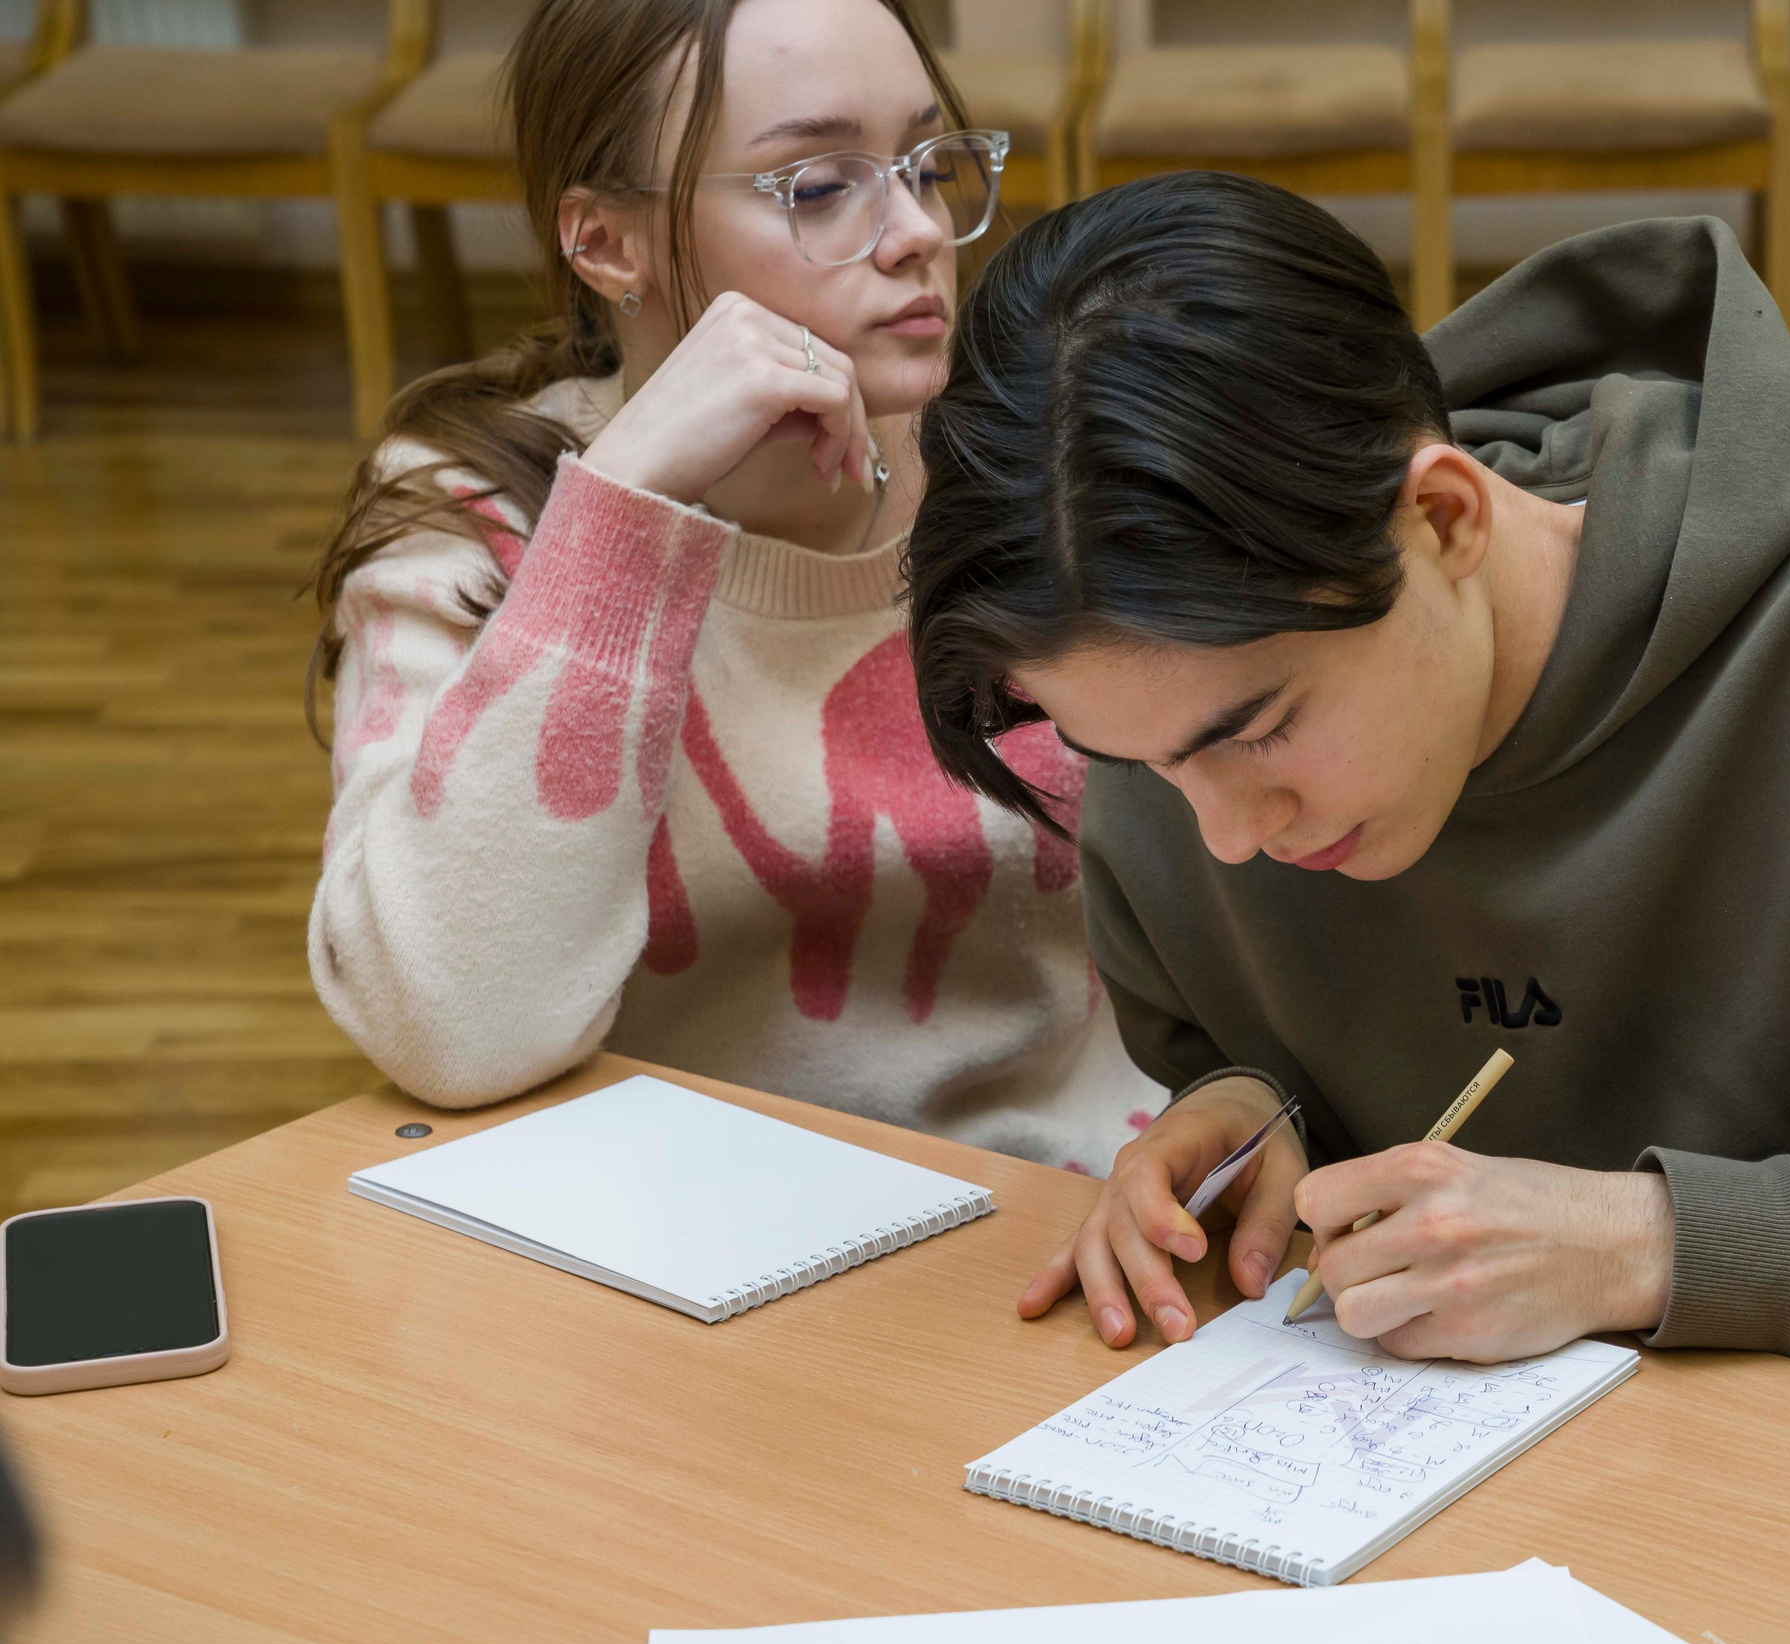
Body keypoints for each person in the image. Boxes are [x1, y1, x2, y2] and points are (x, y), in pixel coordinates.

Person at [903, 172, 1790, 1437]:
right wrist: (1243, 1111)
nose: (1222, 830)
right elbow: (1257, 1031)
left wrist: (1659, 1243)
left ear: (1445, 517)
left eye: (1260, 729)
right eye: (1141, 765)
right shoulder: (1183, 699)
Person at [307, 0, 1161, 1170]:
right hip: (664, 1227)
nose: (915, 230)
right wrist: (620, 513)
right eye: (818, 187)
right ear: (607, 243)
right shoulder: (473, 513)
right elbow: (452, 1030)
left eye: (926, 160)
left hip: (1060, 1217)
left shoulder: (1042, 455)